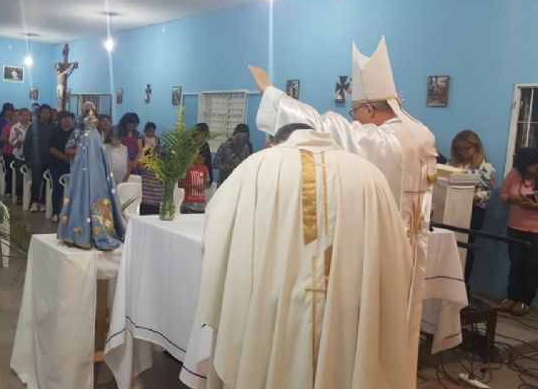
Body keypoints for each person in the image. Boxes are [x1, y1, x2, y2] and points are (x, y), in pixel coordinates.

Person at [249, 36, 438, 384]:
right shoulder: (421, 134)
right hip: (413, 249)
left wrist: (272, 94)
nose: (356, 120)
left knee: (370, 327)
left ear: (368, 109)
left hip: (380, 249)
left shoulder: (385, 141)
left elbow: (325, 127)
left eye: (356, 112)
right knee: (401, 329)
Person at [195, 127, 412, 389]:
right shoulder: (369, 175)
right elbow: (397, 252)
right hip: (347, 305)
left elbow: (216, 234)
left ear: (275, 140)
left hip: (270, 306)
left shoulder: (257, 166)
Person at [57, 110, 126, 250]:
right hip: (90, 175)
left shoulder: (94, 137)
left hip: (97, 175)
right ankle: (79, 232)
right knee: (82, 199)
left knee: (92, 201)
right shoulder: (88, 136)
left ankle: (90, 233)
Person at [448, 130, 496, 283]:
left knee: (466, 248)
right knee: (449, 246)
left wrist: (466, 195)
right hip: (452, 208)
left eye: (466, 149)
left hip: (473, 211)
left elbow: (485, 194)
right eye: (459, 150)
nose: (462, 153)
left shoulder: (486, 167)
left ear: (476, 148)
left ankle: (463, 283)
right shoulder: (451, 164)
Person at [499, 147, 538, 316]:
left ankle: (525, 301)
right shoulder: (515, 173)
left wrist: (535, 206)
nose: (534, 167)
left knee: (533, 266)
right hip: (514, 226)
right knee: (516, 264)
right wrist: (511, 199)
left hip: (535, 230)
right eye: (531, 165)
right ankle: (511, 297)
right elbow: (503, 194)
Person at [23, 104, 54, 212]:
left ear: (51, 114)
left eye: (48, 112)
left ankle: (43, 202)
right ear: (39, 114)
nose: (46, 114)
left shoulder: (54, 127)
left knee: (47, 182)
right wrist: (28, 159)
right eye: (43, 112)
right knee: (36, 181)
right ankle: (34, 202)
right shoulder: (33, 126)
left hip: (50, 159)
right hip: (36, 159)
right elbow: (27, 144)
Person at [48, 111, 75, 222]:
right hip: (57, 164)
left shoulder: (75, 132)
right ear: (59, 120)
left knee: (72, 190)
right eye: (64, 118)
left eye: (69, 118)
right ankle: (56, 212)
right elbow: (52, 148)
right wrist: (64, 157)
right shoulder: (55, 132)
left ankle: (70, 213)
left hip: (73, 165)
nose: (67, 120)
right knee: (57, 189)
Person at [9, 108, 30, 203]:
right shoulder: (15, 127)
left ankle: (29, 195)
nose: (25, 117)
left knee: (30, 176)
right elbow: (11, 142)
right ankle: (19, 196)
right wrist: (18, 142)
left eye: (27, 115)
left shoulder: (32, 126)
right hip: (19, 155)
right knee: (20, 176)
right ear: (20, 116)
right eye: (23, 115)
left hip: (30, 155)